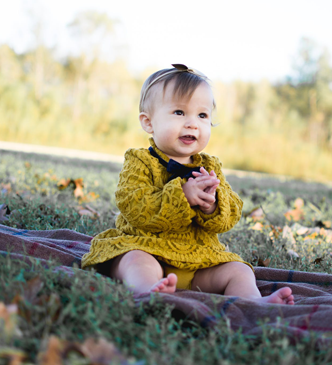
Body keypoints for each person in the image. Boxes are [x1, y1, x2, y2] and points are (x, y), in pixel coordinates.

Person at [82, 64, 294, 305]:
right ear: (148, 122)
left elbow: (231, 213)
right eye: (179, 113)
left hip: (198, 261)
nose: (193, 123)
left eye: (202, 115)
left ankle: (253, 303)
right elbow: (134, 204)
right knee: (133, 261)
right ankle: (148, 291)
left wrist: (212, 205)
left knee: (239, 270)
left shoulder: (210, 167)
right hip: (147, 248)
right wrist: (181, 196)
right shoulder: (140, 161)